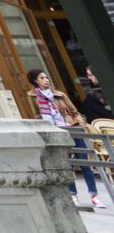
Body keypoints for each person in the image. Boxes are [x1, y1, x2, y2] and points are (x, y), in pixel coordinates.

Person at [28, 68, 103, 208]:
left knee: (84, 162)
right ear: (35, 81)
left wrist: (79, 123)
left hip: (73, 129)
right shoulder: (32, 97)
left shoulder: (59, 95)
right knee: (67, 165)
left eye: (46, 77)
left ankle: (94, 196)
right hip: (56, 132)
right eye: (42, 78)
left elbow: (75, 112)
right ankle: (73, 195)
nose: (46, 80)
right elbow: (36, 116)